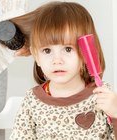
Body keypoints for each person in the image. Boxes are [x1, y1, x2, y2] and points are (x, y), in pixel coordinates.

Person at [9, 1, 117, 139]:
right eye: (47, 50)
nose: (57, 60)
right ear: (36, 55)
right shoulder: (32, 101)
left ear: (85, 53)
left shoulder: (103, 96)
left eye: (67, 49)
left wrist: (115, 113)